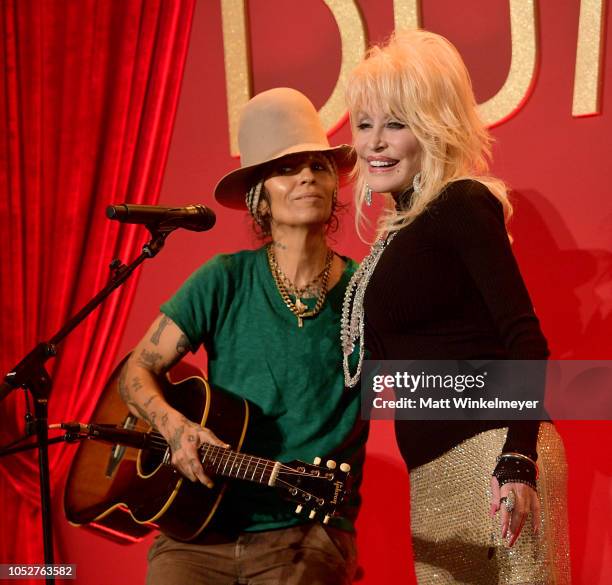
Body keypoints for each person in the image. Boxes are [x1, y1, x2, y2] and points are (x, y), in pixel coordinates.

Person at [341, 30, 570, 583]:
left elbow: (525, 338)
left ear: (433, 128)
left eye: (395, 124)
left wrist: (518, 460)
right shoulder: (393, 238)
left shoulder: (462, 204)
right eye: (365, 124)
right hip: (431, 476)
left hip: (493, 455)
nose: (374, 143)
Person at [120, 87, 365, 585]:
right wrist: (174, 426)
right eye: (286, 168)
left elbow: (425, 380)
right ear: (259, 196)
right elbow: (134, 372)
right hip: (197, 529)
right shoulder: (224, 278)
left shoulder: (365, 290)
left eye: (318, 166)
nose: (306, 177)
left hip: (306, 530)